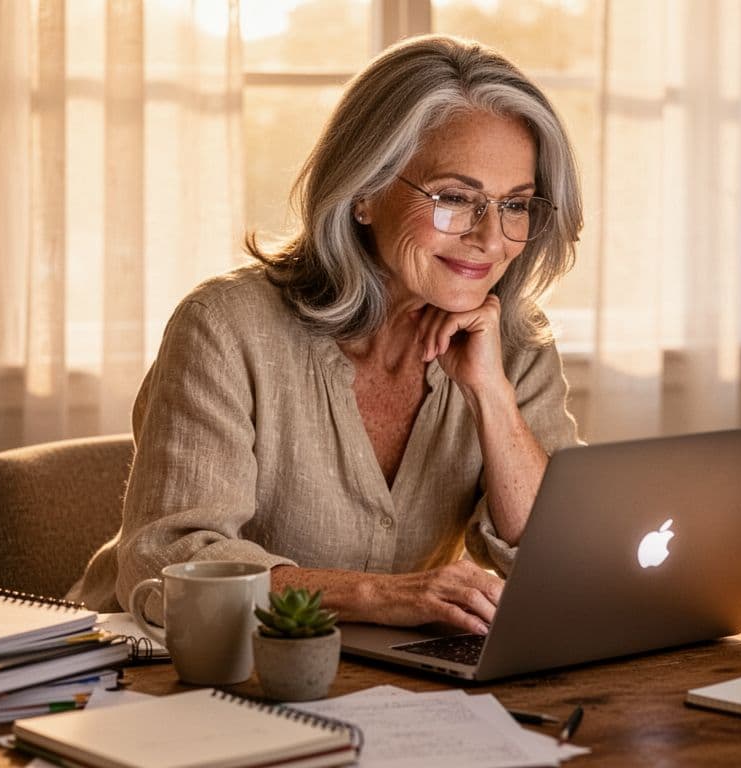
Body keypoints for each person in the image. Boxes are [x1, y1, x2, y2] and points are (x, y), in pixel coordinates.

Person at [69, 35, 584, 637]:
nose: (491, 238)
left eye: (516, 205)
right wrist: (380, 595)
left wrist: (492, 397)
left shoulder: (516, 345)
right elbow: (170, 560)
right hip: (156, 668)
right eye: (454, 198)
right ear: (364, 191)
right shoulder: (225, 328)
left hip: (375, 680)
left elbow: (561, 562)